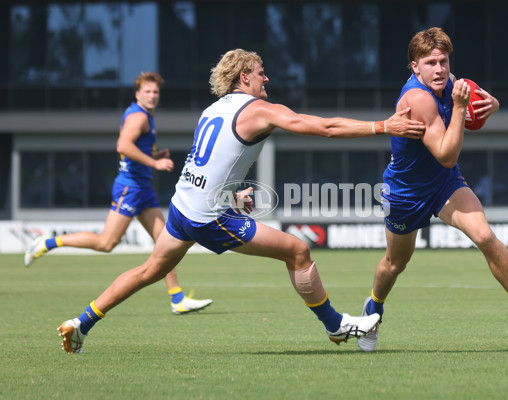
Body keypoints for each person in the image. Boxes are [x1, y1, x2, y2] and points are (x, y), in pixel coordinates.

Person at [56, 49, 426, 353]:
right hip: (206, 217)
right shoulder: (259, 110)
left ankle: (80, 324)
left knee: (150, 270)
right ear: (243, 77)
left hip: (183, 208)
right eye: (261, 73)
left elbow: (207, 163)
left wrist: (233, 192)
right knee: (298, 251)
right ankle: (336, 326)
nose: (266, 78)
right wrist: (382, 126)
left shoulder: (213, 110)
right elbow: (325, 127)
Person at [357, 27, 508, 352]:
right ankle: (374, 310)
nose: (439, 69)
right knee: (395, 264)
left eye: (443, 61)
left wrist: (491, 106)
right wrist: (462, 109)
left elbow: (479, 111)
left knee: (485, 237)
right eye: (430, 62)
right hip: (405, 192)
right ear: (414, 66)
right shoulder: (417, 99)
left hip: (444, 182)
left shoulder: (453, 84)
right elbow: (447, 152)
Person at [25, 71, 212, 315]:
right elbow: (123, 146)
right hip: (130, 188)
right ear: (138, 93)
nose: (152, 95)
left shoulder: (143, 115)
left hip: (142, 188)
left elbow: (130, 150)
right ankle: (47, 242)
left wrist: (154, 157)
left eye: (155, 92)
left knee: (166, 242)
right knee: (107, 242)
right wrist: (155, 164)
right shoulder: (138, 116)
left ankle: (177, 298)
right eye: (147, 91)